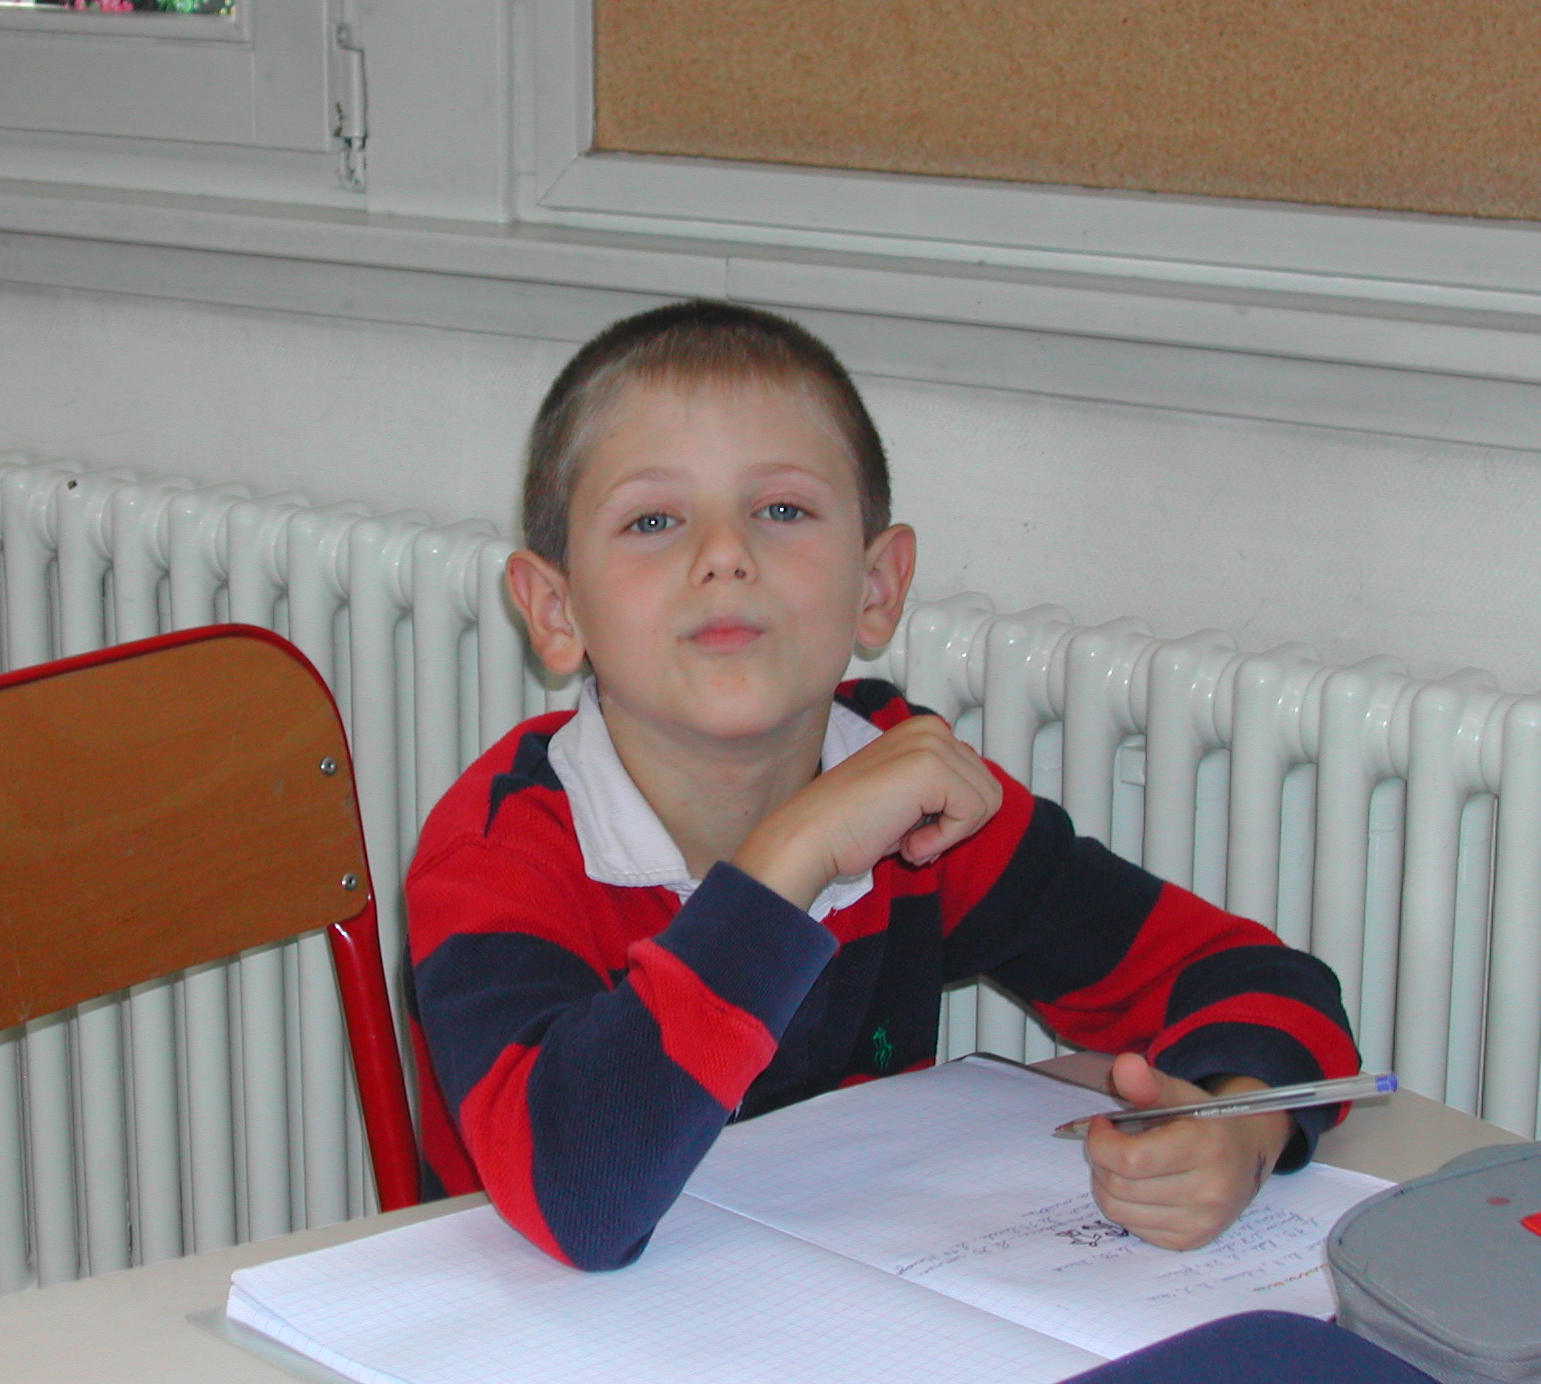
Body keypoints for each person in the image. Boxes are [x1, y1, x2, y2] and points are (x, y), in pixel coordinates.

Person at [404, 300, 1359, 1273]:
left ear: (877, 587)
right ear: (555, 610)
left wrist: (1241, 1130)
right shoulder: (498, 860)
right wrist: (788, 863)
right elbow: (580, 1198)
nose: (724, 555)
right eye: (653, 520)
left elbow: (1257, 979)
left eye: (781, 511)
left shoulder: (921, 801)